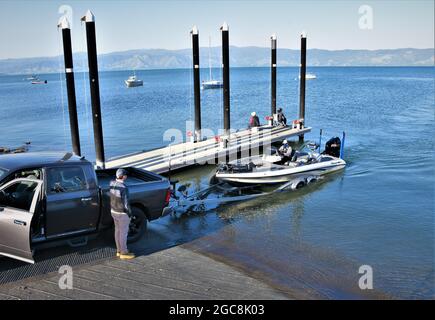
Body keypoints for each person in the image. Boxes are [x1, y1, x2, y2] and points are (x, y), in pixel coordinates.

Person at [110, 168, 135, 260]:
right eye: (125, 175)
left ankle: (118, 250)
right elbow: (126, 203)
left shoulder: (112, 184)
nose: (126, 176)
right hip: (122, 213)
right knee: (123, 233)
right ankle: (124, 252)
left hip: (113, 211)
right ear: (123, 176)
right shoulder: (124, 187)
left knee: (117, 231)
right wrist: (130, 214)